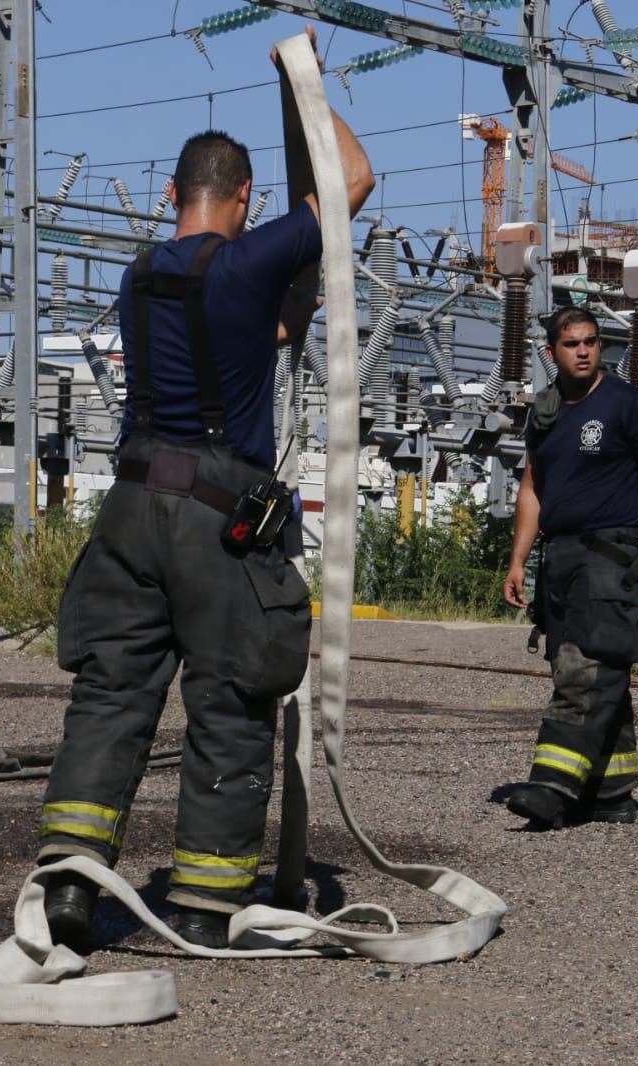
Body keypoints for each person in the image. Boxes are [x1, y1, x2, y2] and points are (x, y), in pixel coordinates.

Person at [37, 36, 375, 951]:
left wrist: (288, 301)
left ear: (170, 197)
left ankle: (68, 887)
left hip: (130, 510)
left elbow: (251, 335)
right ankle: (204, 899)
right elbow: (354, 178)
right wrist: (297, 82)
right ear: (243, 202)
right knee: (229, 700)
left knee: (111, 697)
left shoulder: (142, 275)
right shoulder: (244, 259)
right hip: (215, 518)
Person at [502, 306, 638, 830]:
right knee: (576, 665)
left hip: (612, 555)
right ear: (551, 352)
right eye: (571, 344)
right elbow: (532, 489)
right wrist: (518, 561)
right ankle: (610, 791)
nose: (583, 351)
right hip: (560, 556)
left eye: (591, 341)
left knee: (592, 666)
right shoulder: (545, 414)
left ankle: (553, 786)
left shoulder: (626, 403)